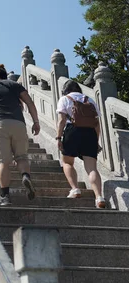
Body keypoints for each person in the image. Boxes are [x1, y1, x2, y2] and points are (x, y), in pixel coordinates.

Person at [0, 64, 40, 206]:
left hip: (0, 124)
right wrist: (36, 122)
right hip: (19, 124)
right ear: (5, 76)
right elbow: (29, 103)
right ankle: (25, 176)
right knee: (21, 157)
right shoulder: (14, 85)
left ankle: (5, 196)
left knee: (3, 162)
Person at [56, 80, 106, 208]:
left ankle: (75, 189)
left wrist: (58, 137)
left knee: (67, 162)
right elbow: (97, 124)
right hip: (89, 134)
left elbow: (61, 120)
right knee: (92, 168)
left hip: (72, 131)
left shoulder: (64, 99)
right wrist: (96, 141)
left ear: (65, 90)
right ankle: (99, 197)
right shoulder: (90, 100)